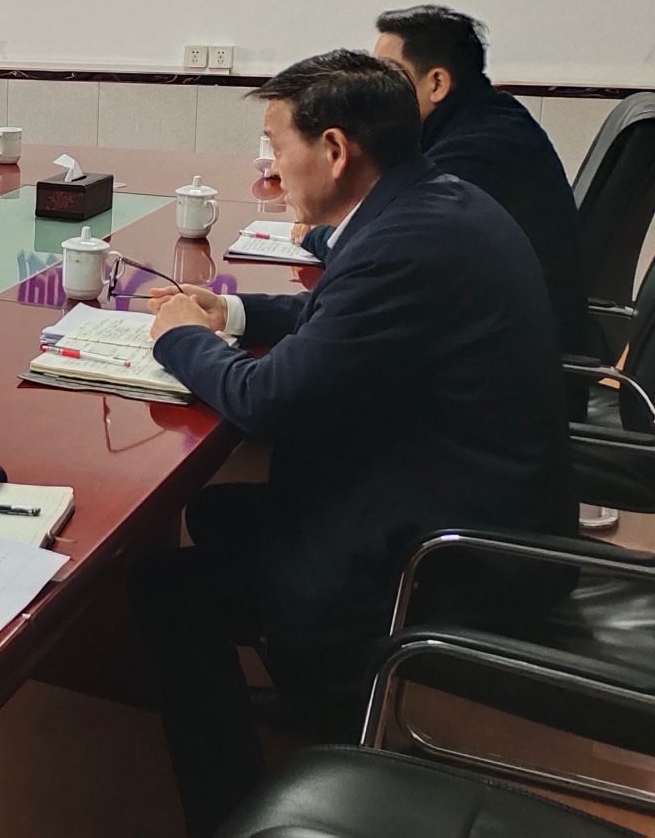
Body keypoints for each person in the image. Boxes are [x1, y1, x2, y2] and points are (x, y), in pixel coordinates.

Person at [131, 51, 573, 837]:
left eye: (277, 145)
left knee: (167, 588)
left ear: (335, 149)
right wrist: (232, 314)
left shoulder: (403, 243)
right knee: (221, 515)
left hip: (451, 559)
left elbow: (268, 403)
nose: (270, 168)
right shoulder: (427, 204)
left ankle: (234, 803)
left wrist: (177, 338)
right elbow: (341, 316)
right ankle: (310, 696)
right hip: (472, 493)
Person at [300, 6, 591, 358]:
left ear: (437, 83)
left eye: (389, 75)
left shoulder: (475, 153)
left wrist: (317, 233)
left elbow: (377, 249)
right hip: (492, 335)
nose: (377, 90)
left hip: (511, 360)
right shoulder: (485, 119)